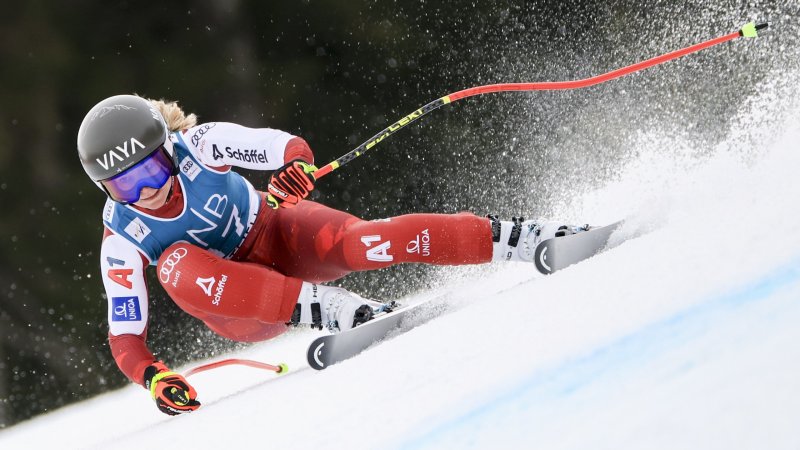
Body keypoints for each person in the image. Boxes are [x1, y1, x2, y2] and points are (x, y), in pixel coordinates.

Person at [77, 94, 587, 416]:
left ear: (168, 146)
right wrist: (154, 377)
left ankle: (520, 236)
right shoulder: (121, 235)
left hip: (277, 236)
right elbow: (125, 334)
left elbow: (284, 146)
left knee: (366, 241)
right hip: (241, 307)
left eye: (149, 172)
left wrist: (296, 168)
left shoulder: (201, 143)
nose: (143, 192)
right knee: (172, 265)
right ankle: (337, 311)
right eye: (123, 184)